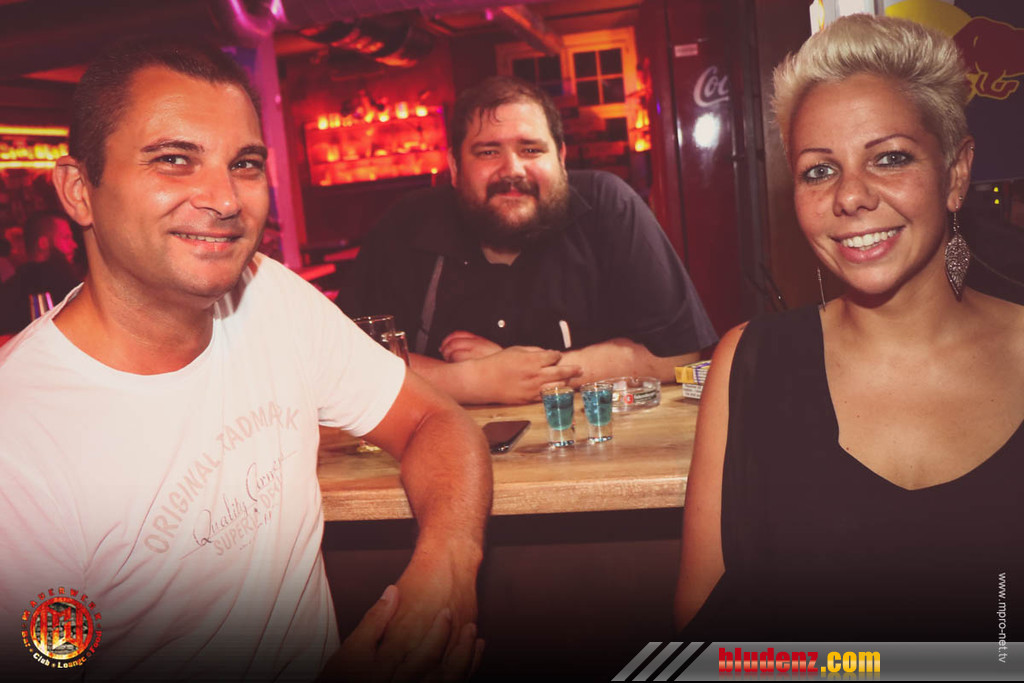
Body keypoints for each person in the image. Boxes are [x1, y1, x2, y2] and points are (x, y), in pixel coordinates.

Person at [0, 39, 491, 680]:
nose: (226, 198)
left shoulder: (270, 295)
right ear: (78, 190)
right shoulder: (20, 436)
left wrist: (448, 567)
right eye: (174, 160)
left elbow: (433, 421)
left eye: (245, 164)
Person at [675, 14, 1024, 641]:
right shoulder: (749, 362)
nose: (850, 196)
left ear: (956, 174)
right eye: (819, 170)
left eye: (889, 158)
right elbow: (699, 645)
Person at [340, 76, 717, 405]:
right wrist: (474, 380)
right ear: (455, 167)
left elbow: (680, 354)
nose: (512, 170)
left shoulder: (609, 205)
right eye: (488, 152)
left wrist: (528, 372)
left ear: (561, 158)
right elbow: (342, 359)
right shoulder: (407, 223)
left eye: (531, 150)